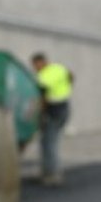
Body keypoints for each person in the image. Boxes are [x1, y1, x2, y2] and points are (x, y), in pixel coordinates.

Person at [31, 52, 73, 186]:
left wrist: (39, 115)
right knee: (50, 141)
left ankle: (52, 174)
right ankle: (50, 171)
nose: (35, 68)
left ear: (41, 62)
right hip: (64, 107)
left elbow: (43, 98)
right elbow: (71, 76)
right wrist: (65, 90)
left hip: (53, 110)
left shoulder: (43, 76)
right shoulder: (58, 68)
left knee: (49, 143)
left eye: (35, 65)